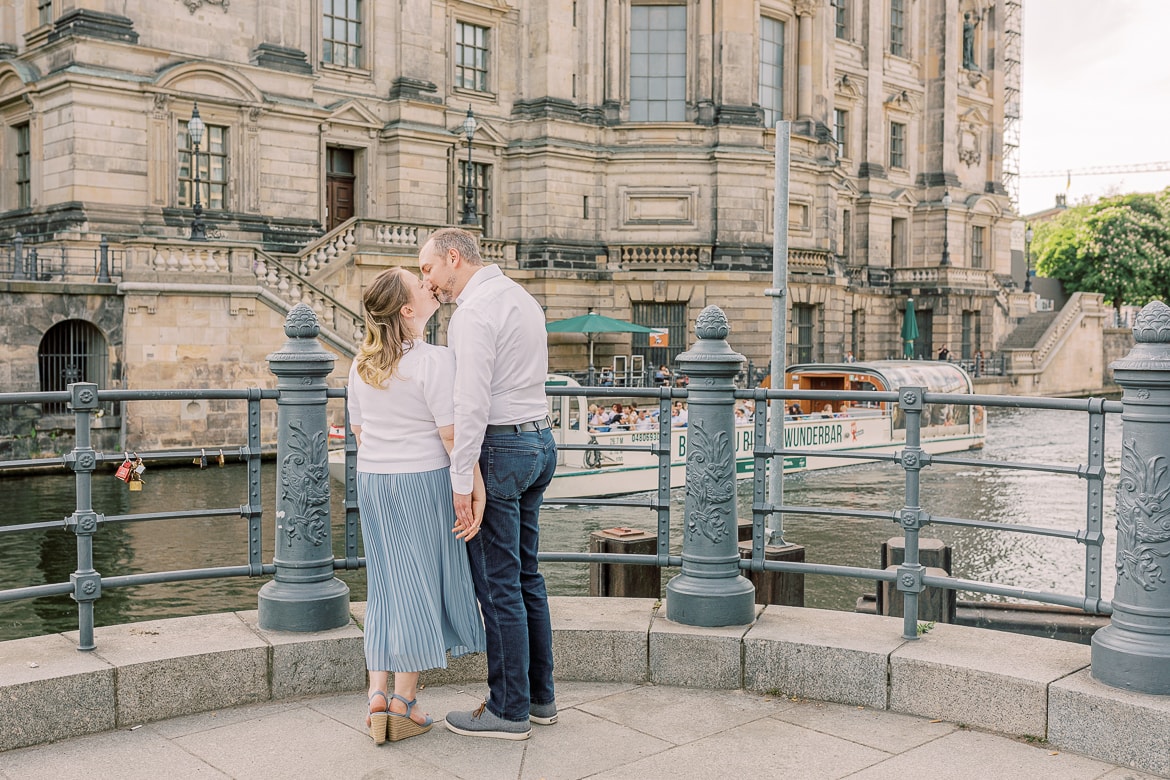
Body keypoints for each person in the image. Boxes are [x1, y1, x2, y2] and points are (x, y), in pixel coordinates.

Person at [419, 227, 558, 741]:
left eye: (428, 269)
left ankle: (508, 709)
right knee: (527, 578)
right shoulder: (521, 298)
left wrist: (461, 482)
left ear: (453, 258)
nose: (426, 281)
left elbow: (470, 404)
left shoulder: (473, 314)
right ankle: (540, 699)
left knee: (498, 585)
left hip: (500, 450)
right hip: (540, 442)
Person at [346, 267, 487, 745]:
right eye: (420, 285)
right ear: (408, 310)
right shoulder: (434, 360)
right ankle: (404, 702)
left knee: (386, 586)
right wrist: (471, 488)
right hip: (421, 480)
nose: (430, 286)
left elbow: (362, 434)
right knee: (418, 583)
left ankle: (377, 696)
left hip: (373, 480)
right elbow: (452, 439)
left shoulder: (361, 363)